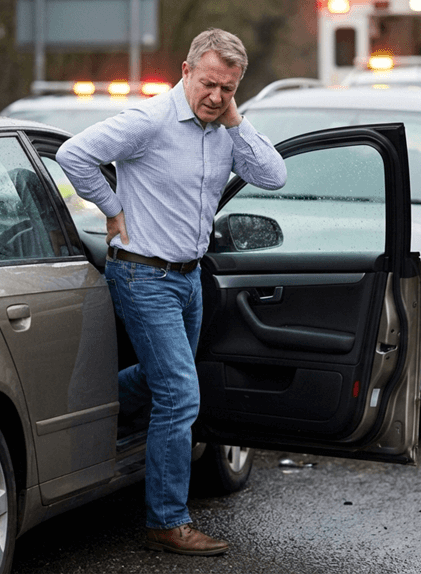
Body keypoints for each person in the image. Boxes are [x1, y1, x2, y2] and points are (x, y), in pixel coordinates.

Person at [56, 28, 287, 555]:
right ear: (185, 72)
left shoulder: (227, 127)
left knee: (166, 378)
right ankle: (166, 520)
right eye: (208, 84)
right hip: (142, 273)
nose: (215, 96)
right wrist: (112, 209)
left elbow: (273, 175)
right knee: (181, 393)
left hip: (189, 277)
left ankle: (96, 402)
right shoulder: (150, 121)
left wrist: (236, 120)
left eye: (227, 89)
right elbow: (74, 155)